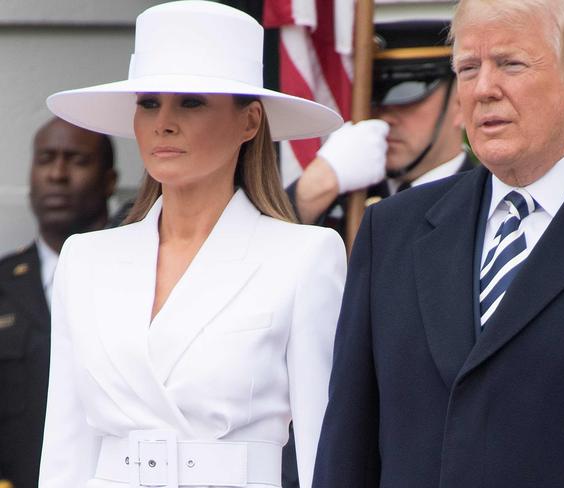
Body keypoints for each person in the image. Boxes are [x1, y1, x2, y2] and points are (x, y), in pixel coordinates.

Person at [314, 0, 564, 486]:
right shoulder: (392, 231)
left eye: (510, 64)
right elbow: (348, 450)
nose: (484, 89)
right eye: (468, 68)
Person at [38, 2, 345, 488]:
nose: (163, 122)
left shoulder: (305, 257)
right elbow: (65, 448)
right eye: (148, 102)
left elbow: (324, 449)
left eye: (191, 102)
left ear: (250, 122)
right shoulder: (86, 259)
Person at [0, 118, 116, 488]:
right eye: (46, 159)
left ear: (110, 180)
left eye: (77, 160)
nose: (57, 174)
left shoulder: (143, 279)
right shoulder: (3, 283)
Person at [288, 18, 473, 229]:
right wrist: (315, 188)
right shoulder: (339, 200)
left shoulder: (484, 202)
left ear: (460, 102)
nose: (385, 117)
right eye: (375, 100)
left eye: (406, 101)